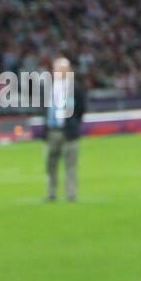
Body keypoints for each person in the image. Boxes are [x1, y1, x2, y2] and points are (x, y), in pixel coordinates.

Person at [43, 55, 86, 202]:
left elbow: (81, 109)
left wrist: (72, 124)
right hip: (52, 131)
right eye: (57, 69)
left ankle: (71, 193)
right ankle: (51, 193)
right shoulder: (48, 88)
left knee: (70, 165)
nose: (59, 72)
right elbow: (44, 109)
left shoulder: (76, 88)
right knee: (50, 164)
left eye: (62, 69)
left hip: (69, 132)